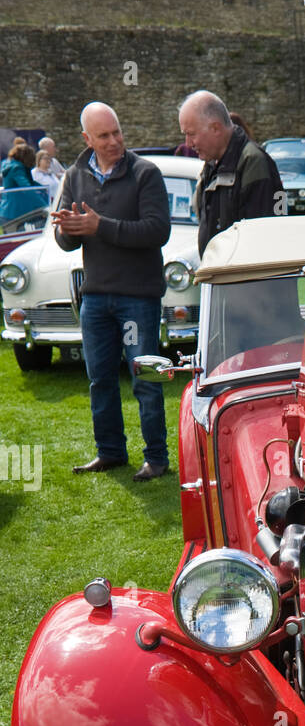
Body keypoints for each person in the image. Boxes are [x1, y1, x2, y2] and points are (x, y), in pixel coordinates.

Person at [54, 102, 171, 479]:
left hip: (137, 296)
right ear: (87, 139)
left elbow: (157, 231)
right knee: (99, 378)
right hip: (96, 297)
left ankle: (156, 458)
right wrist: (67, 229)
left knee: (145, 379)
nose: (113, 141)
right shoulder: (74, 175)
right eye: (103, 135)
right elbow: (64, 240)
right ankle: (110, 452)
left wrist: (99, 225)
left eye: (116, 132)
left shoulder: (145, 173)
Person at [178, 90, 282, 255]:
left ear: (216, 128)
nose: (188, 143)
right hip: (220, 275)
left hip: (244, 278)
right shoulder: (212, 165)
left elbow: (263, 237)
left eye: (191, 134)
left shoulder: (254, 163)